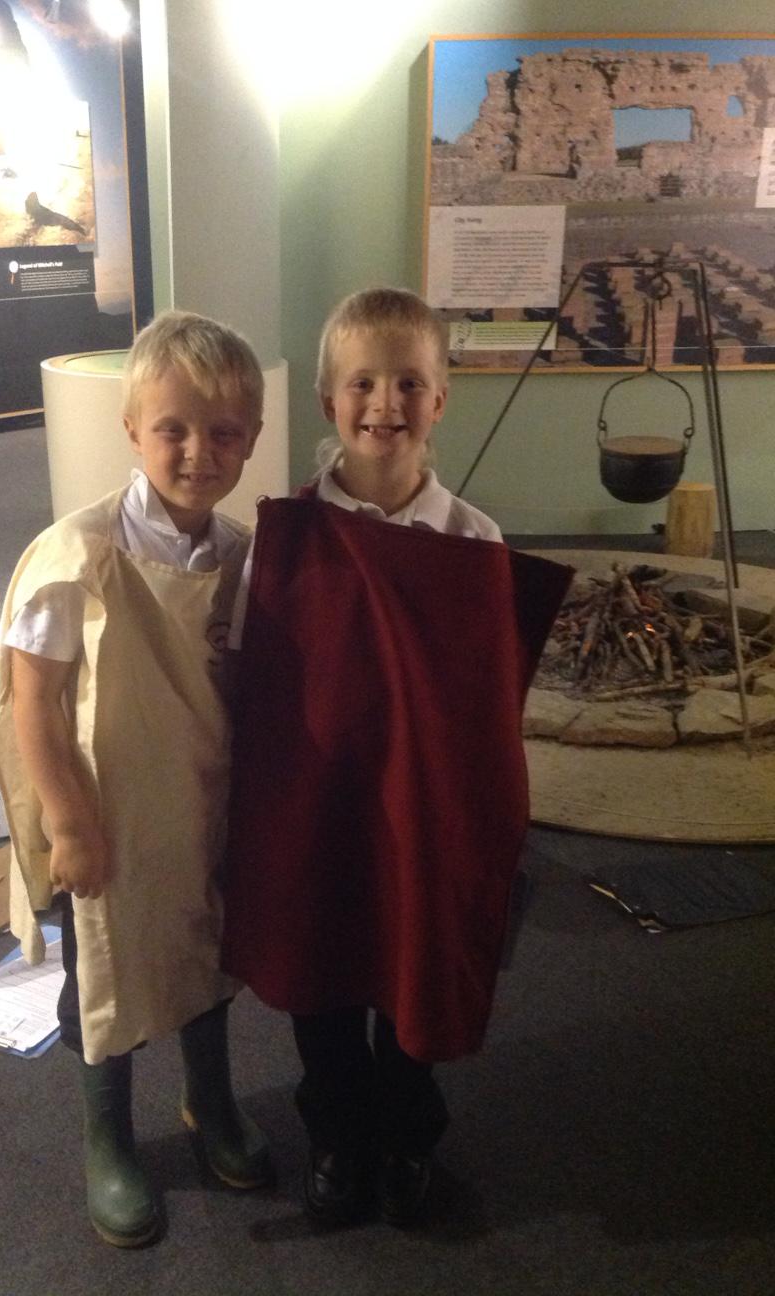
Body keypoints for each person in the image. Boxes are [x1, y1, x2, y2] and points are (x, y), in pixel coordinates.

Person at [222, 288, 571, 1230]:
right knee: (324, 969)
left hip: (424, 808)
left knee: (417, 967)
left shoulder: (473, 543)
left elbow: (485, 712)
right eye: (363, 383)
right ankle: (337, 1137)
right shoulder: (285, 539)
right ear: (329, 401)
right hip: (320, 801)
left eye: (410, 383)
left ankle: (409, 1140)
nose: (386, 403)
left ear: (440, 400)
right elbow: (258, 680)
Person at [0, 310, 272, 1249]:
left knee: (206, 950)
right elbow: (33, 701)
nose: (198, 452)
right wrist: (70, 824)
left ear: (252, 438)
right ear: (132, 430)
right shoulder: (77, 556)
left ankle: (210, 1101)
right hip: (107, 812)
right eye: (173, 429)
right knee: (103, 974)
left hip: (199, 800)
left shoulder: (241, 556)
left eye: (223, 432)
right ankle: (107, 1137)